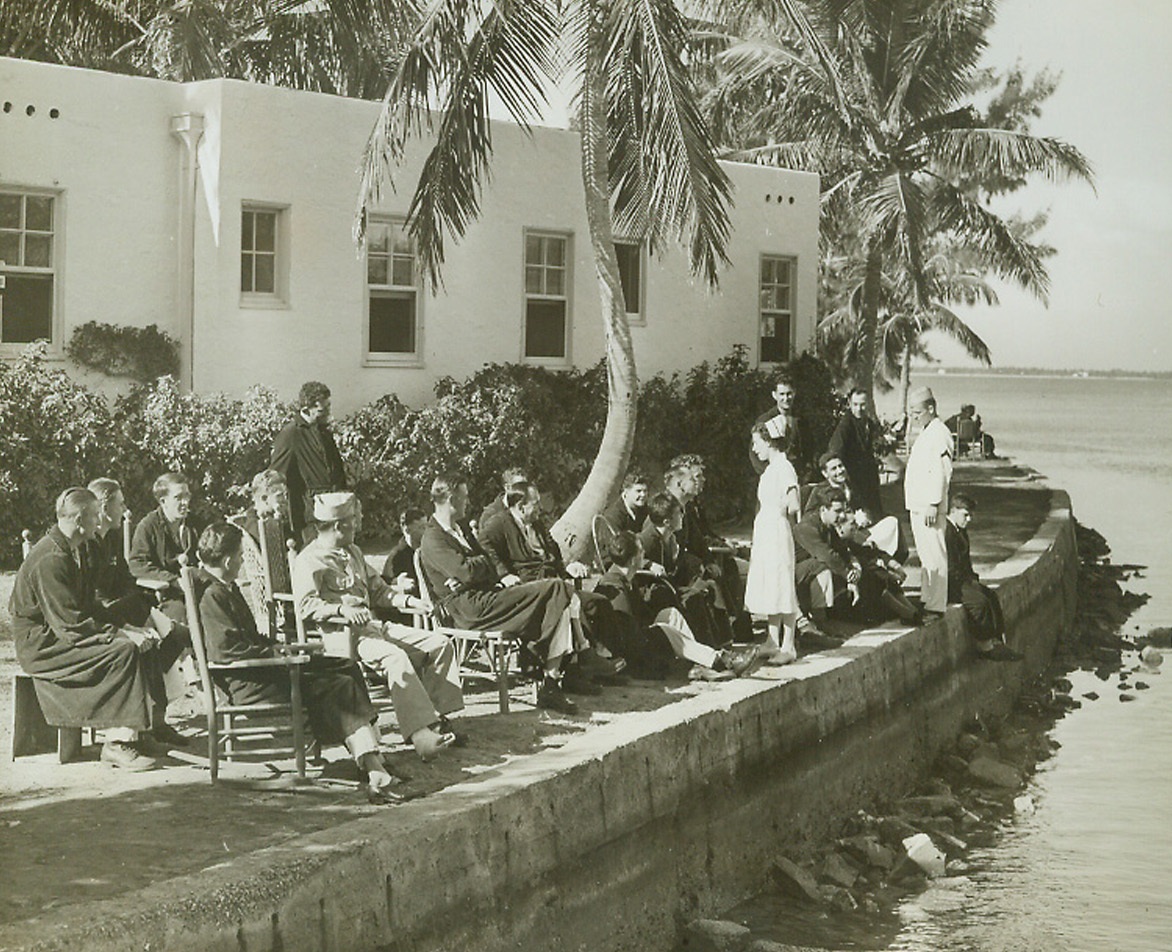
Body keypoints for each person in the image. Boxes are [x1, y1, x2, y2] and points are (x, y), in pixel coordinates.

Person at [194, 522, 407, 802]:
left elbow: (249, 640)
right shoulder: (212, 596)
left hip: (265, 670)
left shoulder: (226, 588)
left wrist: (278, 648)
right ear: (227, 560)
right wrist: (276, 656)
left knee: (345, 665)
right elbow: (225, 651)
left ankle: (372, 753)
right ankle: (372, 765)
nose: (243, 561)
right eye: (241, 557)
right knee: (338, 685)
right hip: (250, 681)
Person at [10, 488, 170, 770]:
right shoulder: (51, 559)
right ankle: (117, 743)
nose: (100, 521)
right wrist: (121, 635)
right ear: (80, 519)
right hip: (42, 645)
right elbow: (70, 625)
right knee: (123, 651)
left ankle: (142, 729)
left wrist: (130, 627)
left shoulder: (81, 548)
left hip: (64, 630)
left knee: (144, 637)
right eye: (95, 515)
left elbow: (89, 607)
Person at [292, 493, 460, 760]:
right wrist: (340, 610)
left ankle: (437, 720)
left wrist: (410, 601)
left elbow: (379, 591)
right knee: (395, 658)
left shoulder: (353, 552)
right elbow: (305, 606)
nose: (358, 525)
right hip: (343, 637)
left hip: (374, 627)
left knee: (439, 644)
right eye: (353, 520)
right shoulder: (309, 560)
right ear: (338, 526)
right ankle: (422, 737)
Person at [419, 472, 581, 714]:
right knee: (556, 588)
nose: (468, 503)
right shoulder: (433, 537)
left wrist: (473, 569)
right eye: (464, 498)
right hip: (469, 609)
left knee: (559, 592)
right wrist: (473, 570)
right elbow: (468, 571)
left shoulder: (458, 529)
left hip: (483, 596)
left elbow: (481, 565)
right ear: (451, 500)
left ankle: (551, 679)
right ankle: (550, 675)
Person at [478, 482, 626, 678]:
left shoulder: (537, 524)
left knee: (598, 603)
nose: (540, 508)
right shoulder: (499, 524)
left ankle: (604, 661)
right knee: (570, 602)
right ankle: (581, 664)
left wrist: (566, 569)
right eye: (536, 503)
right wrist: (503, 574)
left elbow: (553, 553)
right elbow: (483, 544)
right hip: (529, 589)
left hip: (553, 583)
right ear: (521, 507)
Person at [594, 532, 760, 681]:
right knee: (665, 629)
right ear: (632, 561)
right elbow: (626, 637)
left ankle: (700, 664)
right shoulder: (615, 587)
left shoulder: (626, 577)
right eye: (640, 552)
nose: (644, 555)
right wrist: (660, 633)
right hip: (628, 656)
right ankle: (720, 660)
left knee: (670, 614)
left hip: (635, 637)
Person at [639, 491, 728, 647]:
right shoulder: (646, 539)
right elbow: (622, 559)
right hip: (651, 592)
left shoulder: (672, 537)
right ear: (667, 522)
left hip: (670, 585)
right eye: (678, 515)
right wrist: (648, 564)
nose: (682, 517)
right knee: (693, 598)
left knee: (709, 587)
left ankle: (723, 643)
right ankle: (709, 650)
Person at [743, 423, 800, 664]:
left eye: (757, 443)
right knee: (770, 584)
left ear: (769, 441)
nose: (755, 449)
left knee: (782, 584)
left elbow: (795, 503)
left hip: (776, 531)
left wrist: (781, 511)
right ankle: (772, 640)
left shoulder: (784, 467)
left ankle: (788, 646)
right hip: (767, 530)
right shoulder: (772, 469)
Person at [664, 455, 745, 625]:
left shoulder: (686, 507)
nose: (700, 481)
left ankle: (733, 626)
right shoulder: (666, 508)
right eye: (695, 478)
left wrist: (708, 560)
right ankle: (728, 630)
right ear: (680, 483)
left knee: (722, 568)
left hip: (686, 565)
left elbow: (698, 539)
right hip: (670, 572)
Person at [945, 495, 1021, 661]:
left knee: (991, 596)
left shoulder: (960, 531)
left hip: (963, 579)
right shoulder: (947, 531)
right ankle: (984, 646)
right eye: (965, 515)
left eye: (970, 515)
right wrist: (968, 583)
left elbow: (966, 562)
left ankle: (997, 641)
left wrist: (973, 580)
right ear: (953, 511)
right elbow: (950, 566)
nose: (969, 519)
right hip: (951, 583)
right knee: (980, 602)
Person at [270, 381, 347, 539]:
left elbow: (337, 470)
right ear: (306, 409)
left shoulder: (325, 433)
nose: (328, 413)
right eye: (322, 410)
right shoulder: (290, 435)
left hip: (332, 511)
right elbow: (274, 478)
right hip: (308, 519)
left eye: (328, 407)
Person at [128, 472, 203, 630]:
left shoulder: (195, 524)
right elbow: (137, 564)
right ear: (163, 501)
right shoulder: (148, 527)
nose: (185, 502)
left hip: (196, 587)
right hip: (166, 595)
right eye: (178, 497)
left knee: (219, 602)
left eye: (187, 496)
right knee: (181, 613)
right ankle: (189, 655)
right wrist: (173, 581)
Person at [904, 386, 953, 615]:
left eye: (917, 412)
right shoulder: (927, 431)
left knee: (935, 555)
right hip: (918, 505)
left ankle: (936, 606)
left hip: (929, 506)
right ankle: (927, 598)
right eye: (911, 412)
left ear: (930, 408)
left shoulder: (939, 433)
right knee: (926, 556)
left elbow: (942, 471)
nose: (913, 417)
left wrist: (934, 502)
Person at [803, 452, 906, 562]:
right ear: (825, 473)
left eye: (840, 466)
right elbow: (809, 517)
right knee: (868, 545)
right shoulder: (820, 491)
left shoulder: (849, 486)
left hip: (859, 530)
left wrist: (865, 517)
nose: (839, 471)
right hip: (840, 537)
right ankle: (875, 558)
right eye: (834, 469)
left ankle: (882, 558)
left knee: (892, 522)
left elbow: (860, 507)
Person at [827, 387, 884, 516]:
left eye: (862, 405)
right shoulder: (845, 426)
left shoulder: (867, 423)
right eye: (855, 404)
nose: (859, 409)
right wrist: (843, 480)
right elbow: (835, 452)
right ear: (849, 403)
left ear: (868, 403)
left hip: (868, 482)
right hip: (854, 483)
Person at [752, 373, 804, 476]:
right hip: (774, 476)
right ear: (774, 395)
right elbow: (755, 455)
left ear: (795, 393)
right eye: (782, 394)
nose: (786, 398)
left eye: (789, 393)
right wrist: (771, 474)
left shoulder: (801, 420)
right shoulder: (765, 421)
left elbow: (807, 450)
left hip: (797, 476)